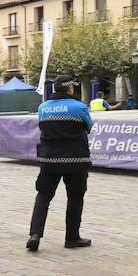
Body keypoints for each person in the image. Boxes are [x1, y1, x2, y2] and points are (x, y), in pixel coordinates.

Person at [27, 75, 93, 251]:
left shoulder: (43, 108)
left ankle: (35, 234)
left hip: (49, 159)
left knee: (43, 196)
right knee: (75, 198)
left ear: (55, 89)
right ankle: (72, 239)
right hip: (76, 160)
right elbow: (88, 128)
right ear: (70, 89)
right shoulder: (80, 107)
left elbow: (43, 128)